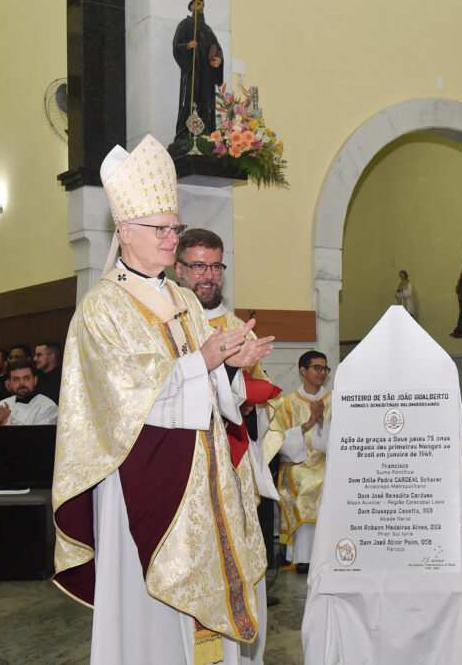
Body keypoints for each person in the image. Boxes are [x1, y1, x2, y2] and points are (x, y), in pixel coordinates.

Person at [52, 134, 273, 665]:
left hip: (203, 481)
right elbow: (126, 399)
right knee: (148, 624)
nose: (172, 237)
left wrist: (231, 371)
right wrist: (206, 361)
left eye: (174, 227)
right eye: (162, 228)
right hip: (141, 482)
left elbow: (209, 392)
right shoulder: (102, 309)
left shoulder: (181, 299)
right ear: (126, 232)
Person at [175, 227, 285, 646]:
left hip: (229, 470)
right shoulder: (169, 321)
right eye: (197, 265)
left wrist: (240, 381)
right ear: (178, 266)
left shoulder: (239, 327)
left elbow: (252, 401)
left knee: (237, 561)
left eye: (215, 266)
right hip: (180, 469)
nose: (207, 275)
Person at [268, 351, 332, 574]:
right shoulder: (287, 404)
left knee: (327, 482)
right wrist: (307, 425)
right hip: (297, 464)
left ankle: (328, 553)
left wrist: (322, 420)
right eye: (317, 368)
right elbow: (279, 442)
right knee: (305, 483)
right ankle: (302, 557)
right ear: (303, 371)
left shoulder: (334, 401)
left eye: (325, 368)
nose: (322, 373)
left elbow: (339, 441)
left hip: (326, 462)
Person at [171, 0, 223, 143]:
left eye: (203, 4)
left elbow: (217, 49)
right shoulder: (185, 24)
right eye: (198, 4)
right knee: (190, 101)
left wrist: (218, 59)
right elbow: (176, 46)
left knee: (205, 104)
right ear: (192, 6)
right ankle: (185, 134)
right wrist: (187, 46)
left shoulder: (207, 30)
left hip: (206, 75)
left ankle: (206, 134)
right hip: (192, 71)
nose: (201, 7)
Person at [0, 360, 57, 426]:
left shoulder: (48, 407)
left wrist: (8, 419)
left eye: (26, 378)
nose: (21, 383)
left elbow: (40, 437)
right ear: (10, 383)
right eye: (16, 379)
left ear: (35, 380)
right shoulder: (3, 404)